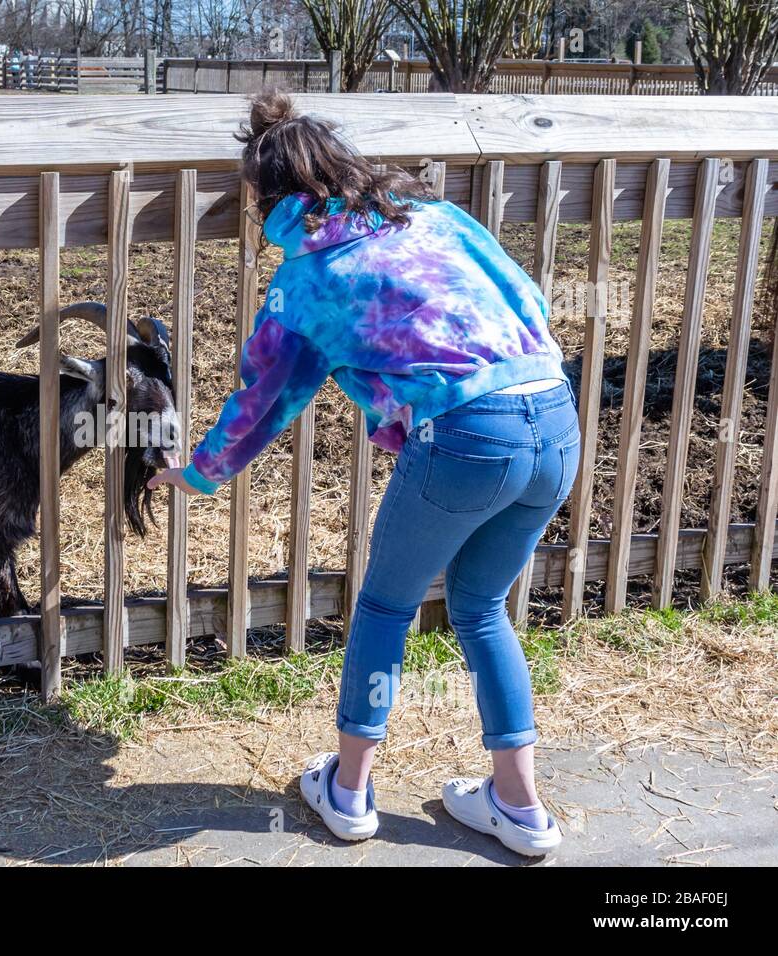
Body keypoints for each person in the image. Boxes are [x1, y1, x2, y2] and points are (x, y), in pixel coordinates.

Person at [148, 90, 578, 857]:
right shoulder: (439, 219)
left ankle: (347, 793)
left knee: (385, 608)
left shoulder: (307, 284)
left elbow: (264, 402)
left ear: (271, 199)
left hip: (465, 437)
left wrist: (200, 473)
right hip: (554, 415)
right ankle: (520, 807)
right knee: (481, 607)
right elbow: (530, 299)